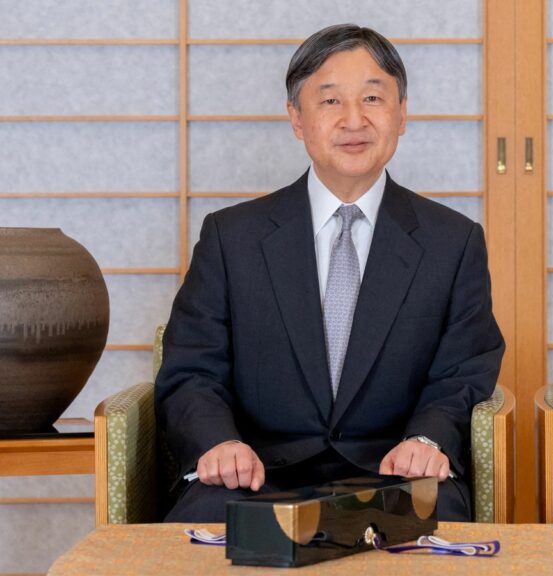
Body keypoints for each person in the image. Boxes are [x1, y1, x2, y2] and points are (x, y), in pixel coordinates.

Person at [156, 24, 504, 522]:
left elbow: (464, 370)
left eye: (372, 98)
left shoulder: (453, 242)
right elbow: (191, 368)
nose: (354, 120)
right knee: (195, 531)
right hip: (255, 473)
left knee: (437, 521)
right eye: (330, 101)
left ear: (402, 114)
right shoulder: (231, 238)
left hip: (393, 472)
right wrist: (221, 442)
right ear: (296, 118)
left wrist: (427, 438)